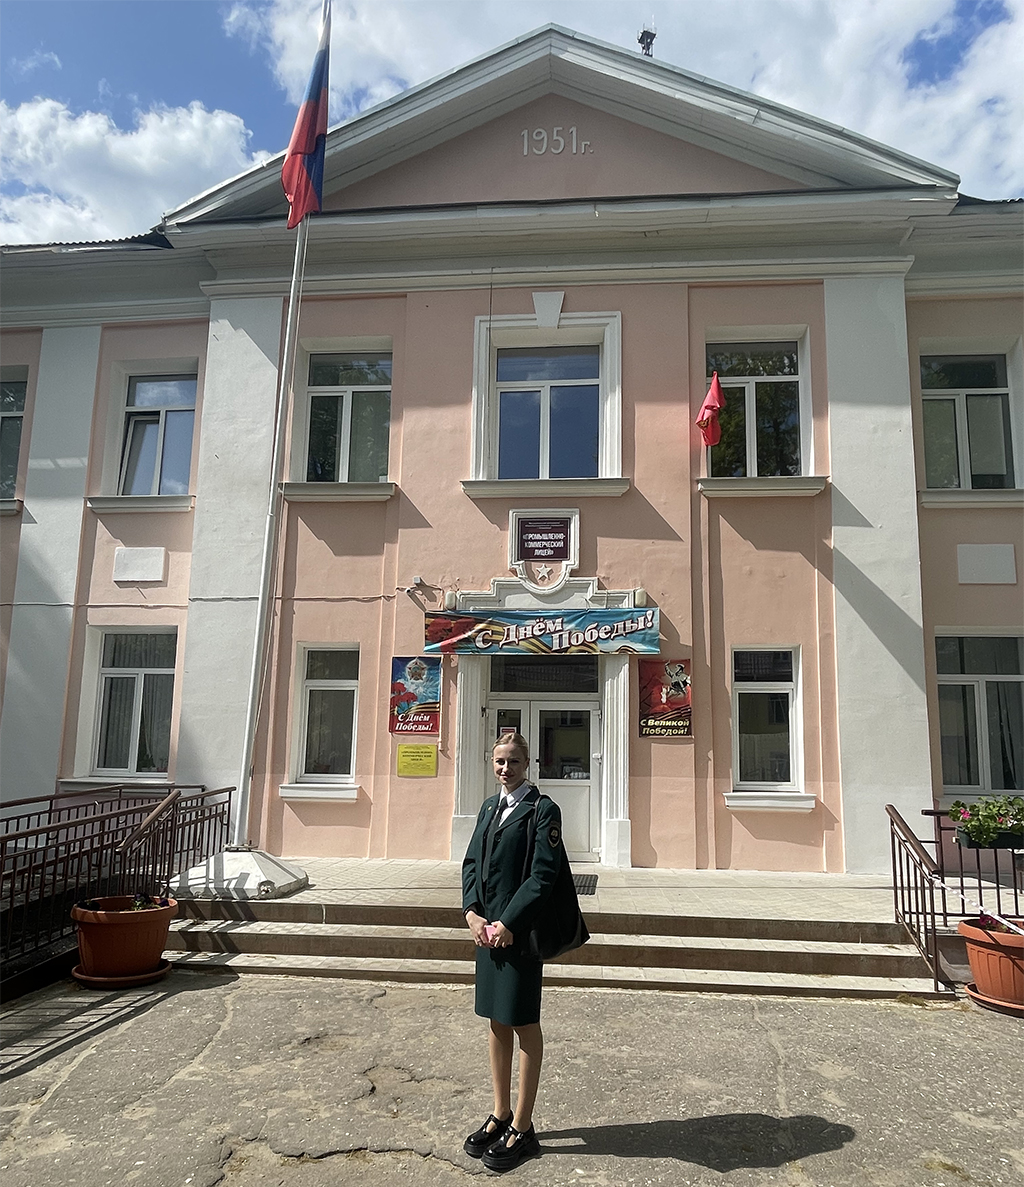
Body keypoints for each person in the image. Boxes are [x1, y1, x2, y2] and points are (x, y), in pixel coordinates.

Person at [461, 731, 562, 1172]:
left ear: (528, 764)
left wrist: (509, 924)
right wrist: (472, 913)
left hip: (518, 936)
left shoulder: (542, 810)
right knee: (496, 1019)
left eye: (514, 762)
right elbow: (472, 863)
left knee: (523, 1022)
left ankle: (523, 1126)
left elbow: (543, 876)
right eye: (500, 761)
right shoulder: (489, 807)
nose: (506, 769)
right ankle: (500, 1112)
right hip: (487, 934)